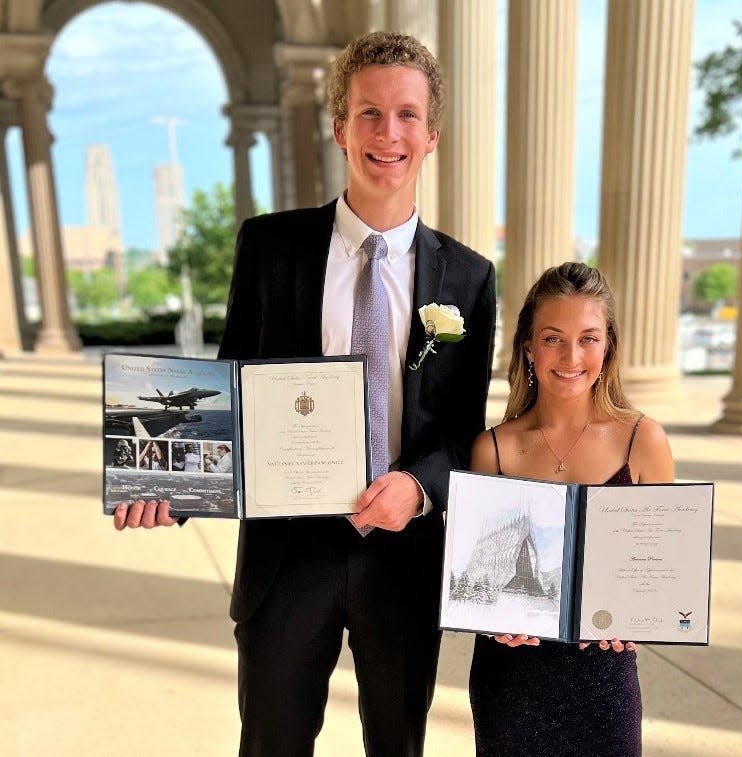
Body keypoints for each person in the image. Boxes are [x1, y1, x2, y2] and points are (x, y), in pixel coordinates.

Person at [113, 30, 496, 757]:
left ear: (433, 134)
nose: (389, 133)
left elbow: (461, 431)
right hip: (287, 557)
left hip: (402, 558)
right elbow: (227, 390)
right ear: (338, 128)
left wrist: (416, 487)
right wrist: (168, 486)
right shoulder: (269, 247)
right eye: (369, 113)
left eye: (407, 115)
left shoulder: (469, 279)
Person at [467, 262, 674, 757]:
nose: (571, 356)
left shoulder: (643, 441)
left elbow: (663, 571)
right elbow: (474, 575)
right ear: (528, 347)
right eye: (554, 338)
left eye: (588, 338)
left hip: (603, 681)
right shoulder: (492, 449)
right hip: (510, 679)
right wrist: (490, 618)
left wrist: (638, 615)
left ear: (608, 347)